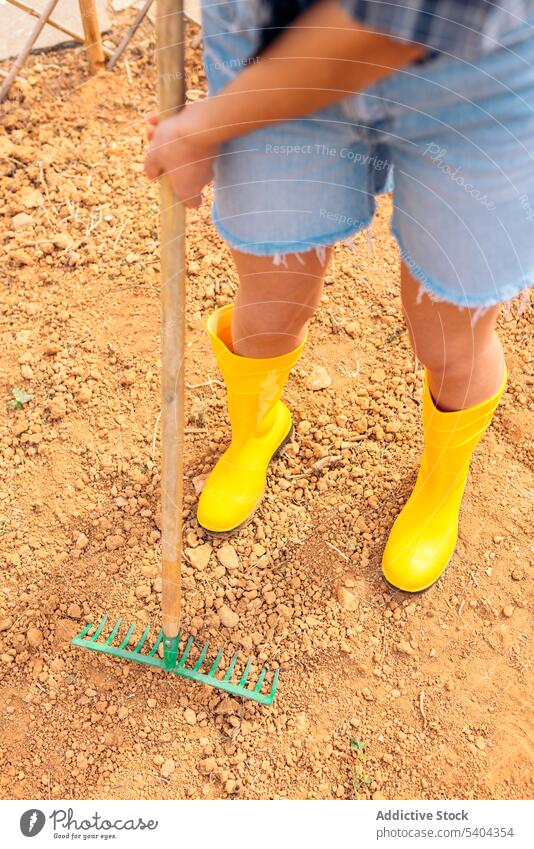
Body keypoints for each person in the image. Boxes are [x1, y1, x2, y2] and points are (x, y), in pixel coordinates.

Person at [145, 1, 534, 592]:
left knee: (450, 331)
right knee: (271, 298)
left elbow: (392, 25)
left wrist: (205, 125)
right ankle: (258, 427)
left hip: (475, 61)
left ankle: (441, 480)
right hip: (271, 31)